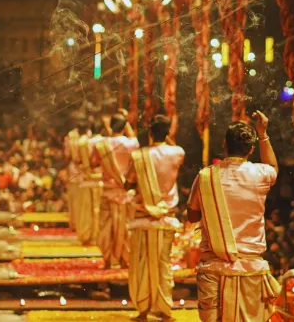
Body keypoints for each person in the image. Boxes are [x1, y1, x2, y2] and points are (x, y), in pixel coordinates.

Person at [186, 113, 279, 322]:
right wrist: (263, 134)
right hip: (251, 270)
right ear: (252, 150)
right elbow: (274, 167)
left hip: (213, 270)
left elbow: (192, 216)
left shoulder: (205, 176)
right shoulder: (261, 173)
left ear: (224, 144)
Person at [127, 114, 185, 321]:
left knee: (142, 264)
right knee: (164, 265)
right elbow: (172, 146)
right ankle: (164, 311)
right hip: (166, 219)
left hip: (143, 218)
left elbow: (129, 182)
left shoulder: (139, 156)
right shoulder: (178, 152)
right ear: (168, 133)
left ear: (150, 132)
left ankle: (143, 311)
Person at [92, 113, 139, 269]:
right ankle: (125, 259)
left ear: (110, 125)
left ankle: (108, 260)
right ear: (125, 126)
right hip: (125, 192)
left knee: (106, 227)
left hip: (108, 190)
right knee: (125, 227)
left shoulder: (101, 144)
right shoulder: (132, 144)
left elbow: (93, 163)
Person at [75, 123, 104, 246]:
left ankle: (86, 235)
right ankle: (97, 237)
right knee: (98, 210)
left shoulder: (83, 143)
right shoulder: (104, 142)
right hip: (100, 180)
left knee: (87, 210)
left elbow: (77, 160)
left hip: (86, 181)